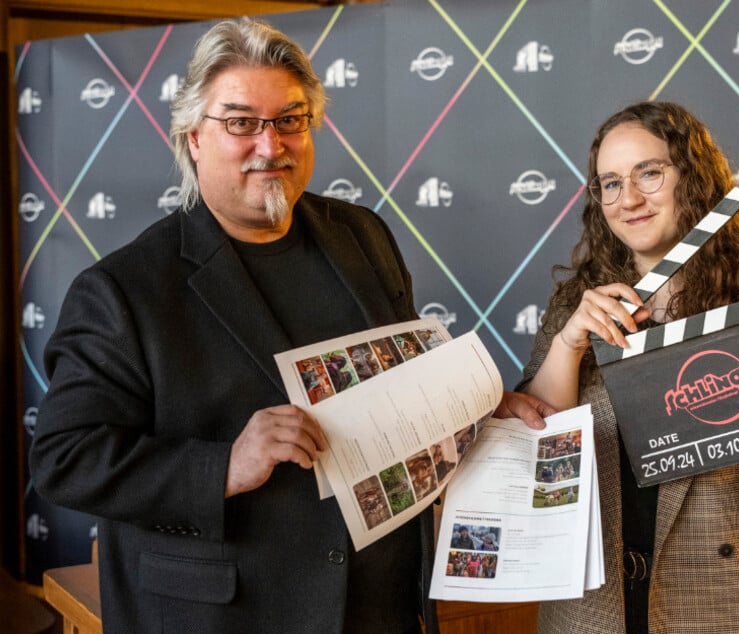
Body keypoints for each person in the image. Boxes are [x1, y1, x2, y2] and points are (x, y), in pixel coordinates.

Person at [29, 19, 553, 634]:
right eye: (241, 122)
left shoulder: (362, 235)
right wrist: (223, 465)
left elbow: (409, 384)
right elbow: (65, 458)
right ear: (194, 137)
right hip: (228, 617)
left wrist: (477, 410)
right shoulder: (122, 290)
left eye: (289, 120)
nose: (270, 144)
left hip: (377, 608)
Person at [517, 101, 739, 634]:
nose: (629, 199)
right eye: (610, 183)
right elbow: (539, 438)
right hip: (593, 605)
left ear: (692, 178)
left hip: (726, 603)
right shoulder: (575, 305)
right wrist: (570, 342)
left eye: (649, 173)